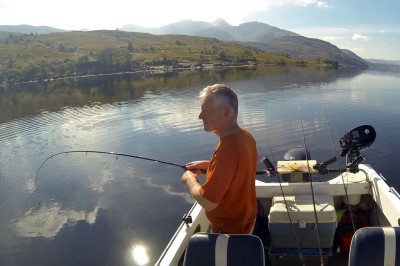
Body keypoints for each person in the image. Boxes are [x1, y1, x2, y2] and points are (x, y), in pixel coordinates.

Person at [181, 84, 258, 234]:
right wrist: (210, 166)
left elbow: (208, 202)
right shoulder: (245, 136)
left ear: (226, 112)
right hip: (246, 222)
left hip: (230, 232)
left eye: (206, 111)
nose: (200, 116)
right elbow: (239, 167)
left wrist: (190, 180)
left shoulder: (227, 149)